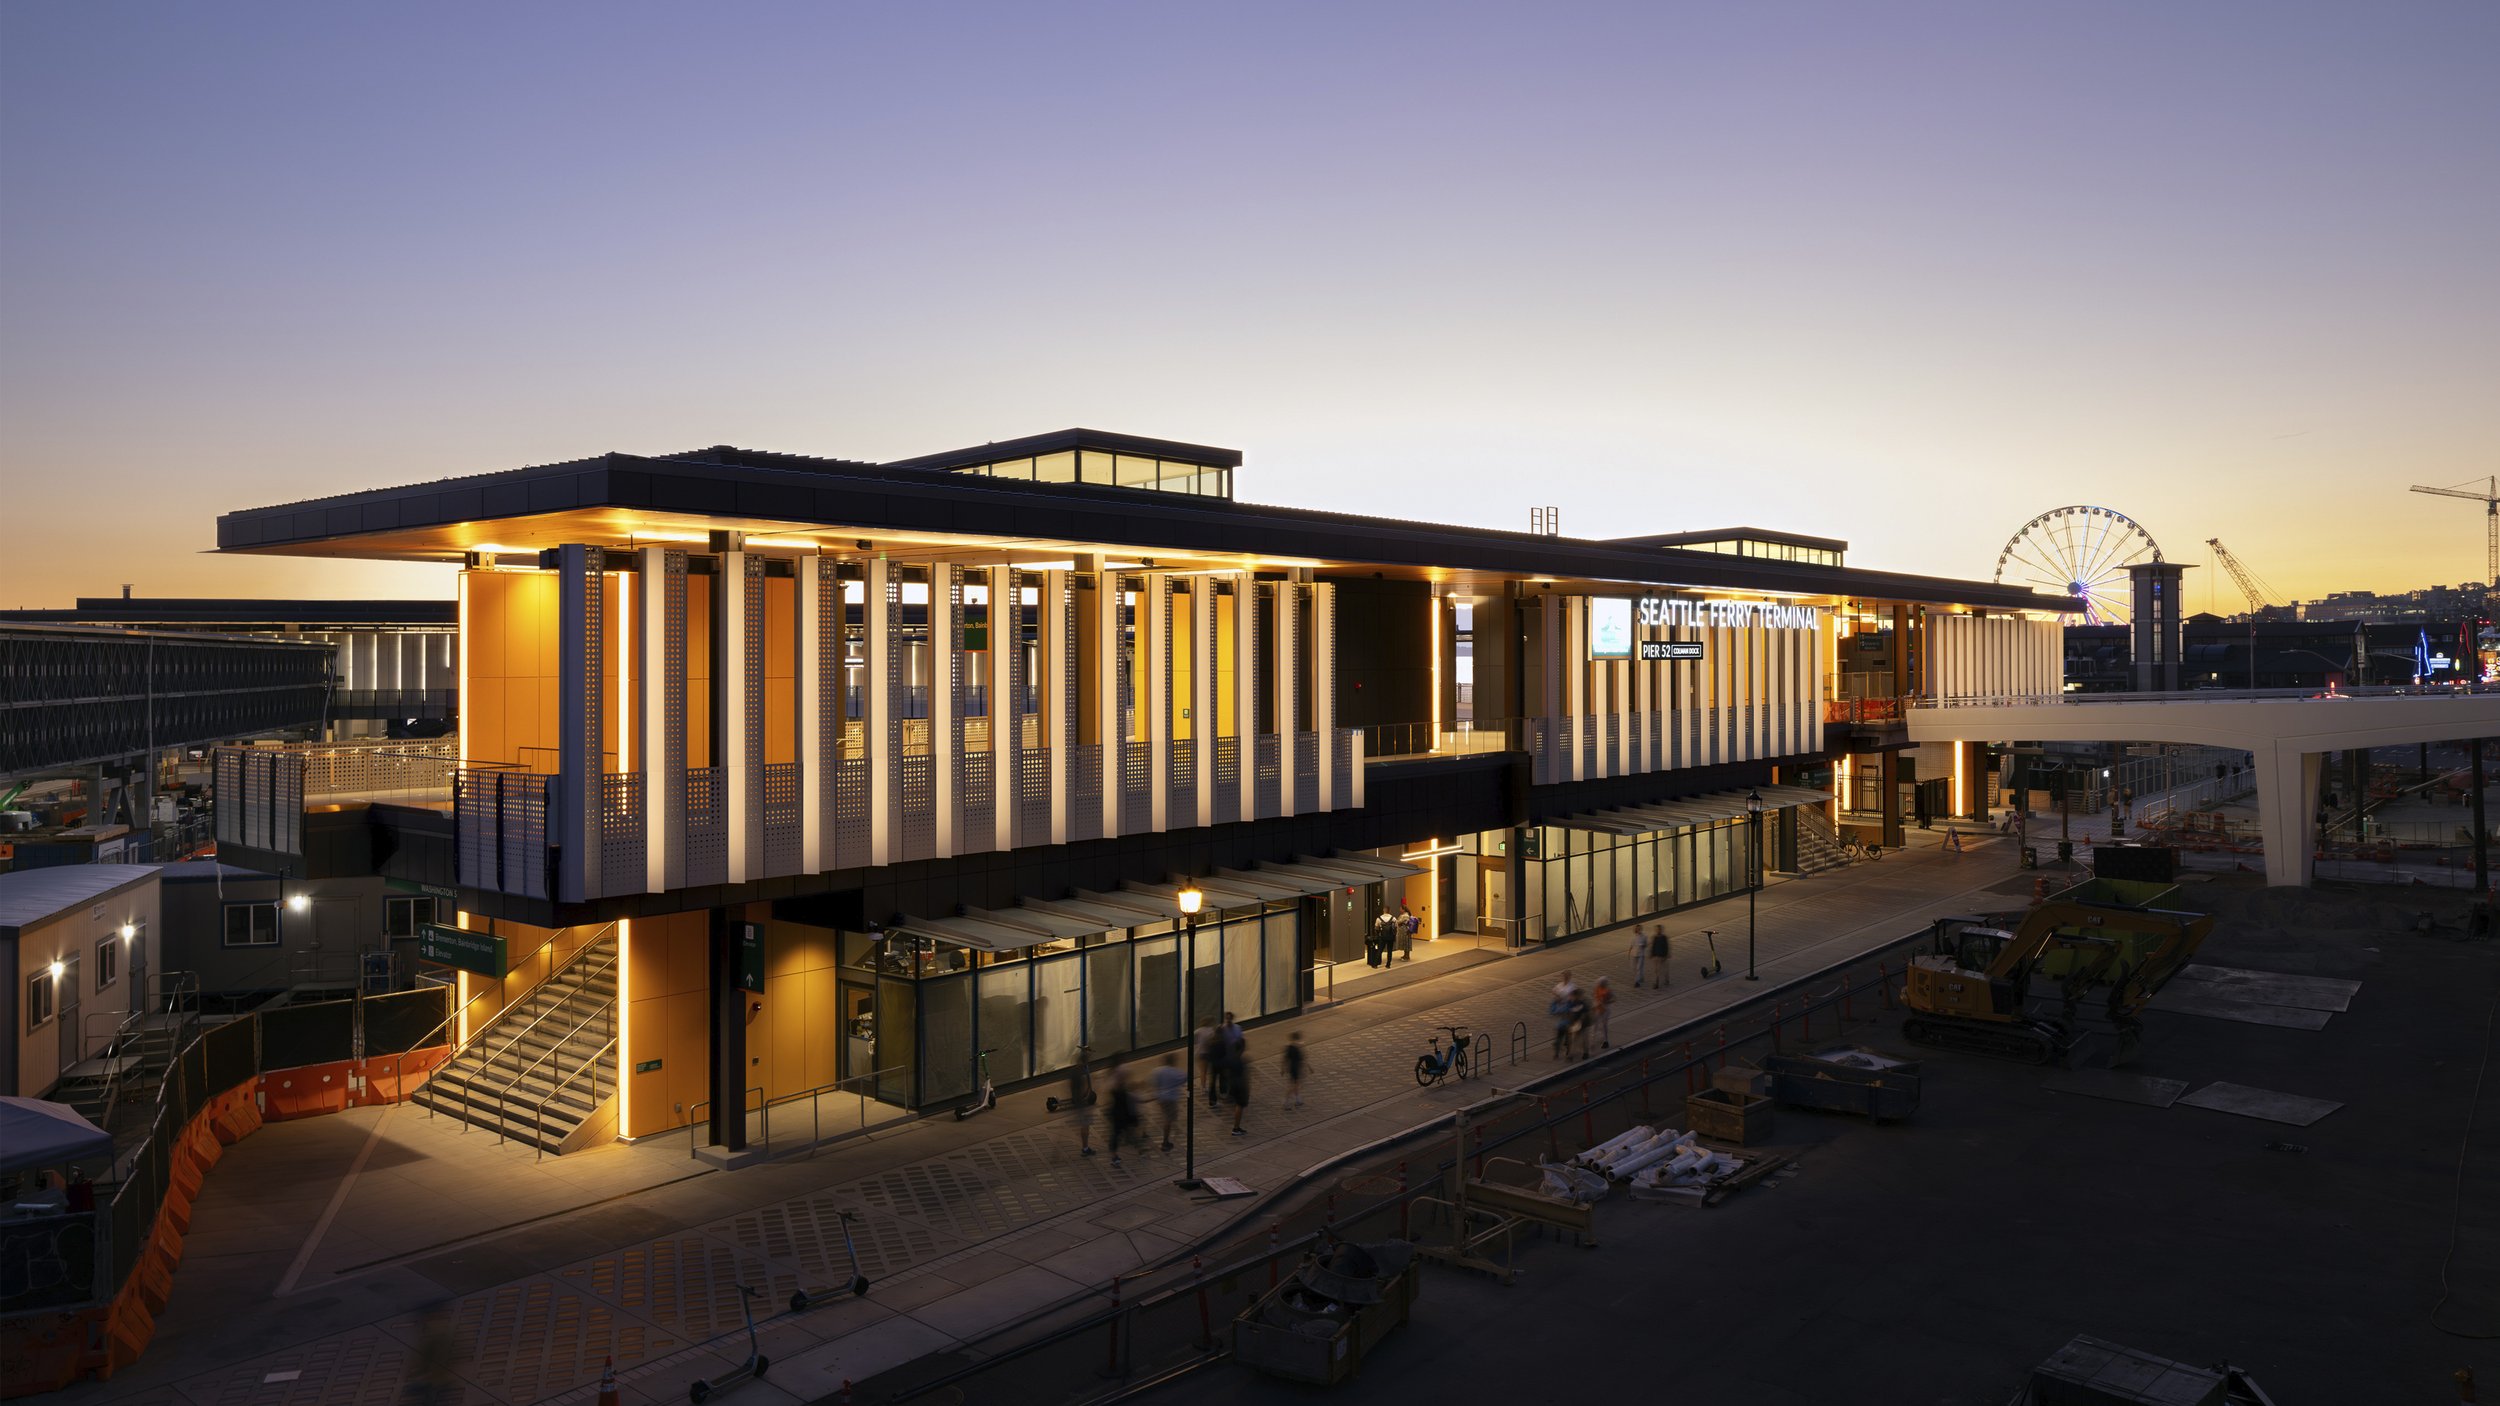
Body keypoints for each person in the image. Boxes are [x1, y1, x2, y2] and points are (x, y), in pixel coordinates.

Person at [1103, 1058, 1138, 1169]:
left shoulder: (1118, 1088)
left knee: (1118, 1134)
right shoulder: (1121, 1090)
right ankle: (1115, 1156)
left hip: (1119, 1114)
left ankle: (1116, 1155)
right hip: (1121, 1115)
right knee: (1118, 1134)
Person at [1153, 1052, 1187, 1150]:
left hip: (1160, 1097)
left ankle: (1170, 1127)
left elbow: (1154, 1082)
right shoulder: (1176, 1072)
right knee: (1168, 1119)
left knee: (1167, 1115)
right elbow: (1184, 1078)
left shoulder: (1157, 1071)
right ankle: (1165, 1142)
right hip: (1171, 1098)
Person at [1549, 970, 1580, 1059]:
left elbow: (1575, 997)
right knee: (1560, 1030)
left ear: (1569, 977)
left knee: (1567, 1032)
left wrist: (1569, 999)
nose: (1564, 978)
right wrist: (1558, 997)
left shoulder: (1572, 986)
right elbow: (1554, 991)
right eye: (1563, 976)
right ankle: (1557, 1051)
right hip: (1561, 1011)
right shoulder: (1560, 985)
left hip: (1569, 1012)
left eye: (1566, 976)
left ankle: (1567, 1050)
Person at [1068, 1056, 1096, 1157]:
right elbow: (1083, 1091)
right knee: (1085, 1126)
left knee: (1085, 1126)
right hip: (1082, 1104)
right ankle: (1085, 1148)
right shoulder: (1080, 1074)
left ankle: (1085, 1147)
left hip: (1078, 1102)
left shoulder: (1073, 1072)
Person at [1195, 1017, 1220, 1106]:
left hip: (1200, 1053)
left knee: (1203, 1072)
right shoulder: (1211, 1030)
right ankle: (1210, 1086)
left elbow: (1196, 1040)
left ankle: (1203, 1087)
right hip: (1209, 1052)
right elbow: (1213, 1040)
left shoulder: (1197, 1031)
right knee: (1211, 1071)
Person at [1282, 1031, 1308, 1109]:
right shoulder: (1297, 1047)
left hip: (1292, 1068)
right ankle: (1286, 1101)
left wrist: (1282, 1069)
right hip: (1296, 1068)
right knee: (1294, 1085)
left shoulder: (1289, 1047)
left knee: (1296, 1084)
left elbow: (1285, 1059)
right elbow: (1303, 1058)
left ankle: (1297, 1099)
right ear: (1296, 1038)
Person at [1591, 977, 1614, 1050]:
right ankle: (1593, 1041)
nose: (1599, 985)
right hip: (1599, 1007)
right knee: (1596, 1025)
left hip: (1605, 1008)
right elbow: (1595, 997)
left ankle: (1605, 1040)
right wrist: (1595, 1005)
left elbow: (1613, 999)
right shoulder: (1597, 989)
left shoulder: (1608, 991)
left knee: (1603, 1025)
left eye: (1600, 984)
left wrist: (1605, 1002)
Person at [1630, 923, 1651, 987]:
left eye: (1639, 929)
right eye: (1637, 929)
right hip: (1634, 954)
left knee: (1639, 967)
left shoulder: (1644, 936)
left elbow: (1646, 944)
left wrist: (1643, 945)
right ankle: (1641, 977)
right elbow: (1631, 946)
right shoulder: (1633, 936)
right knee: (1635, 968)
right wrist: (1629, 953)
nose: (1638, 930)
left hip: (1641, 954)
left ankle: (1636, 981)